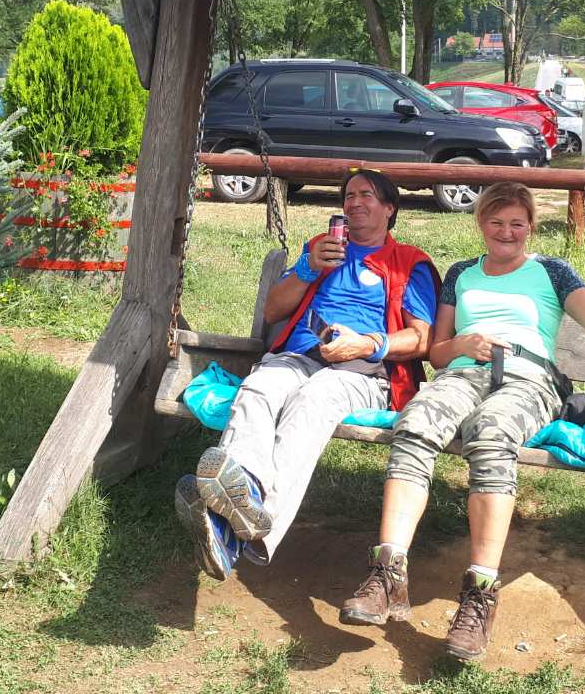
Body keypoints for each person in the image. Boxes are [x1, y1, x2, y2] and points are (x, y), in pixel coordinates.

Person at [338, 182, 585, 661]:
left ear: (531, 226)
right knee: (414, 425)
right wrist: (462, 344)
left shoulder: (552, 272)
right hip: (463, 373)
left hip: (529, 380)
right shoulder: (461, 274)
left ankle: (480, 595)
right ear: (481, 224)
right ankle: (387, 573)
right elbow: (437, 353)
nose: (506, 232)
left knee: (492, 433)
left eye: (517, 223)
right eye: (496, 222)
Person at [175, 169, 440, 580]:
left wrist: (367, 344)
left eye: (366, 195)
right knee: (259, 387)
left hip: (363, 370)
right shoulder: (320, 248)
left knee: (313, 400)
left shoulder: (408, 262)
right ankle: (245, 490)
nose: (354, 202)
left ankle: (239, 531)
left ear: (390, 208)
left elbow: (422, 338)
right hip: (298, 356)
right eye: (349, 196)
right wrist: (306, 268)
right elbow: (273, 311)